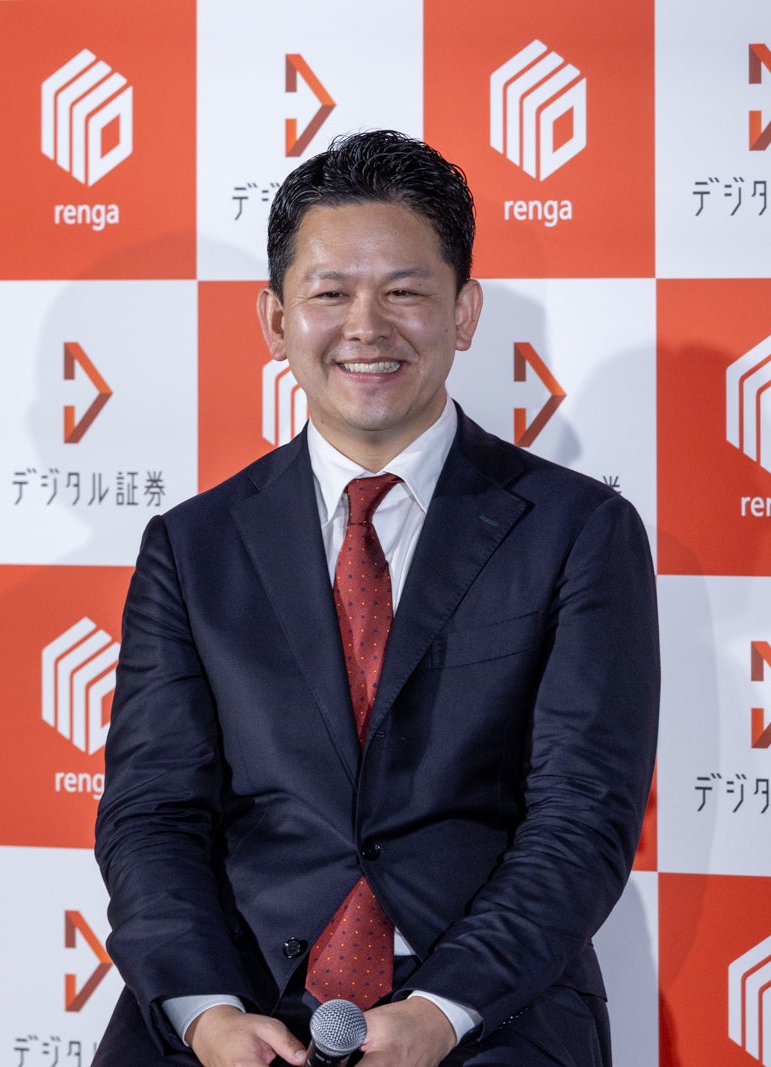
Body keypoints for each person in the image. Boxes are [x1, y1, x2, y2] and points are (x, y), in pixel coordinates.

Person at [92, 131, 659, 1067]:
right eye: (329, 294)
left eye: (404, 291)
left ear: (463, 312)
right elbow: (152, 814)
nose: (366, 327)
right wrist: (208, 1016)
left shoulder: (579, 532)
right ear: (275, 320)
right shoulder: (192, 547)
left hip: (486, 1009)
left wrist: (441, 1010)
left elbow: (582, 818)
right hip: (237, 1005)